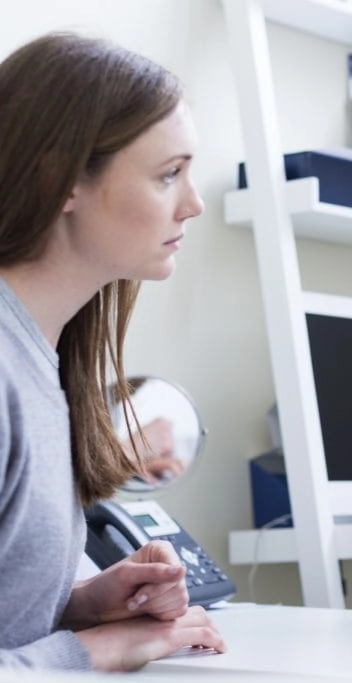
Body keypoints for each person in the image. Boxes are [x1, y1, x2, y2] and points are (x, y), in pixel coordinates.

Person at [0, 32, 225, 670]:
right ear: (60, 179)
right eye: (168, 174)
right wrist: (94, 650)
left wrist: (80, 604)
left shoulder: (40, 358)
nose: (194, 202)